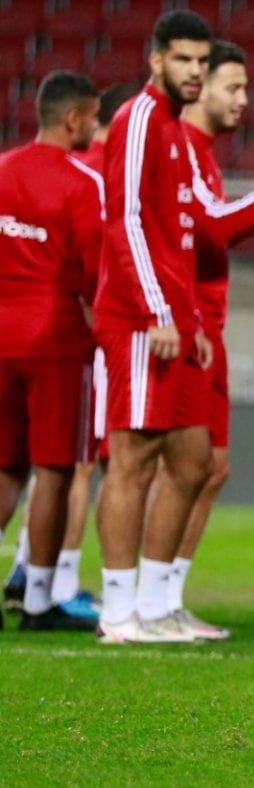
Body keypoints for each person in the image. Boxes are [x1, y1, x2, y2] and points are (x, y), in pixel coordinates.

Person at [93, 9, 254, 644]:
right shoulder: (138, 121)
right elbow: (125, 221)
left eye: (199, 60)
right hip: (139, 318)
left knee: (192, 462)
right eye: (183, 59)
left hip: (176, 322)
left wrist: (189, 322)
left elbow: (202, 228)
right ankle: (117, 611)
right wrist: (161, 311)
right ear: (156, 58)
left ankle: (159, 605)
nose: (193, 71)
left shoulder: (175, 134)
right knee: (132, 460)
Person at [4, 82, 136, 617]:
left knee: (5, 468)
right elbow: (91, 269)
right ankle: (39, 597)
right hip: (54, 335)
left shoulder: (4, 168)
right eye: (94, 118)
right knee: (56, 469)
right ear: (75, 119)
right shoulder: (83, 182)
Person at [138, 39, 249, 641]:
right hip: (170, 325)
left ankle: (166, 596)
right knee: (160, 461)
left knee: (209, 467)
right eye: (230, 86)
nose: (242, 99)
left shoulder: (200, 153)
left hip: (203, 326)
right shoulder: (172, 141)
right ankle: (139, 597)